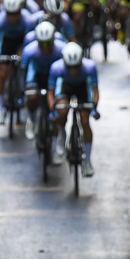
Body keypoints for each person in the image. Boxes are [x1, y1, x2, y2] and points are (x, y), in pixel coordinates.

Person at [47, 42, 100, 176]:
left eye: (76, 67)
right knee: (61, 112)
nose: (73, 71)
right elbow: (51, 93)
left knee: (85, 121)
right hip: (65, 87)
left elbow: (94, 91)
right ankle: (61, 136)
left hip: (82, 88)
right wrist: (53, 111)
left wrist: (93, 109)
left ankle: (87, 160)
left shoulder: (90, 67)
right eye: (69, 67)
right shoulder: (56, 68)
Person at [0, 0, 36, 123]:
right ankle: (0, 109)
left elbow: (29, 42)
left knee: (24, 71)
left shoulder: (27, 19)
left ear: (20, 11)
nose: (12, 17)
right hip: (7, 43)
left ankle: (24, 102)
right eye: (9, 14)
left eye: (15, 13)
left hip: (22, 43)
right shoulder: (0, 20)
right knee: (3, 73)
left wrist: (22, 55)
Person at [21, 21, 66, 145]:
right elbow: (26, 73)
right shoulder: (29, 51)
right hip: (38, 76)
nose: (45, 47)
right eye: (42, 44)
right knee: (31, 96)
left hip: (55, 79)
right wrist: (26, 90)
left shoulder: (62, 49)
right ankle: (31, 119)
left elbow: (64, 73)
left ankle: (60, 136)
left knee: (60, 106)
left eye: (48, 43)